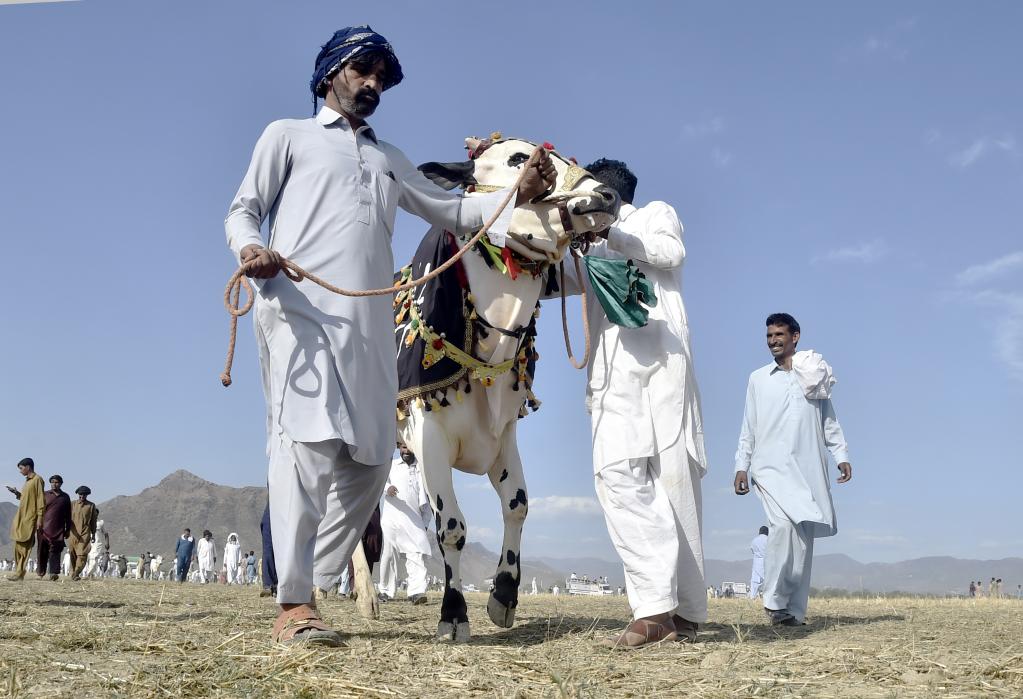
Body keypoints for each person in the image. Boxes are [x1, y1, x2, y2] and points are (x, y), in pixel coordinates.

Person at [223, 25, 555, 645]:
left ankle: (310, 579)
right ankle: (295, 605)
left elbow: (451, 210)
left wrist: (516, 192)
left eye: (381, 77)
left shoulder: (385, 158)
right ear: (330, 73)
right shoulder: (287, 136)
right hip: (297, 310)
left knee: (374, 460)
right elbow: (243, 207)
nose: (373, 84)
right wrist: (251, 246)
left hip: (371, 323)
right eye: (362, 71)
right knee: (307, 447)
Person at [558, 158, 707, 648]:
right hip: (610, 377)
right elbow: (558, 282)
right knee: (616, 475)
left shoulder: (652, 215)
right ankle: (654, 607)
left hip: (661, 363)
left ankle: (681, 612)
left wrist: (613, 234)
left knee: (674, 481)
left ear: (607, 193)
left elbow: (671, 253)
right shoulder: (587, 245)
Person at [734, 313, 852, 626]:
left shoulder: (813, 375)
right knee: (782, 529)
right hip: (769, 468)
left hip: (807, 468)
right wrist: (741, 466)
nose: (773, 341)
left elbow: (829, 419)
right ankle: (774, 602)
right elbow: (749, 426)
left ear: (795, 336)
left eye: (779, 335)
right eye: (769, 336)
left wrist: (841, 454)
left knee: (802, 541)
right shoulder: (758, 378)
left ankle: (793, 612)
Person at [379, 442, 432, 604]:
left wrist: (425, 521)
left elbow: (426, 498)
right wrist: (387, 488)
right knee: (389, 554)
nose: (406, 450)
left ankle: (417, 592)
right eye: (403, 447)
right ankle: (385, 592)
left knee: (416, 554)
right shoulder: (392, 465)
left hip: (414, 519)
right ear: (399, 449)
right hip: (392, 518)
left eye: (409, 447)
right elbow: (379, 481)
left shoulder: (423, 468)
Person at [6, 458, 45, 581]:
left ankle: (19, 572)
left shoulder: (37, 480)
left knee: (25, 546)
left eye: (21, 468)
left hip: (30, 517)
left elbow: (40, 500)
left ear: (28, 467)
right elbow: (26, 498)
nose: (20, 471)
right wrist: (17, 493)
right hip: (21, 517)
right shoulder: (27, 482)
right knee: (18, 545)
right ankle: (19, 572)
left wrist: (40, 518)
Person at [36, 474, 72, 581]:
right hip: (43, 528)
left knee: (55, 551)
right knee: (42, 551)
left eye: (56, 482)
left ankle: (53, 573)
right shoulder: (44, 495)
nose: (54, 484)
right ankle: (41, 572)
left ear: (61, 483)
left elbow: (68, 515)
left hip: (58, 529)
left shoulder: (65, 497)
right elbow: (38, 510)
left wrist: (68, 529)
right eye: (52, 482)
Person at [749, 526, 769, 599]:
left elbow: (752, 550)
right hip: (767, 562)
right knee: (768, 582)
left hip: (757, 563)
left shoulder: (754, 540)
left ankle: (752, 597)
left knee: (755, 582)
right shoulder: (769, 539)